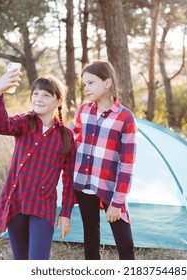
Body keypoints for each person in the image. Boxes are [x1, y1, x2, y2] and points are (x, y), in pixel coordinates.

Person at [0, 67, 76, 260]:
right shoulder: (24, 122)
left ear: (58, 101)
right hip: (17, 202)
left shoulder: (66, 137)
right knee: (20, 260)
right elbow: (1, 126)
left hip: (43, 206)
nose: (39, 98)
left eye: (46, 95)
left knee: (38, 261)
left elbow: (69, 180)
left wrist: (66, 213)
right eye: (35, 94)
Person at [70, 60, 137, 260]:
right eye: (84, 84)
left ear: (107, 83)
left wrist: (117, 202)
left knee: (125, 245)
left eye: (91, 83)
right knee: (90, 239)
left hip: (110, 188)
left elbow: (127, 164)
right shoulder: (83, 111)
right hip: (84, 187)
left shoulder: (125, 118)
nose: (86, 88)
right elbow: (70, 139)